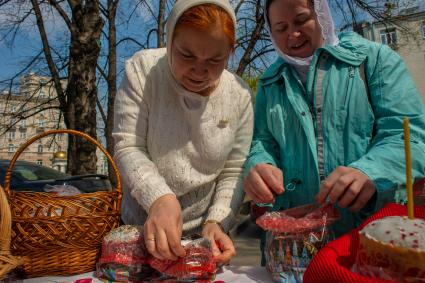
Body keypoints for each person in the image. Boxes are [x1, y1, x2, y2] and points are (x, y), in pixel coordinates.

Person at [244, 0, 425, 245]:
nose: (292, 34)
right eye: (281, 27)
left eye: (301, 20)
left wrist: (369, 171)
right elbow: (262, 141)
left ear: (321, 14)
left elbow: (410, 136)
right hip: (292, 246)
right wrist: (259, 164)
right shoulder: (269, 82)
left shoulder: (374, 60)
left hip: (368, 238)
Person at [112, 0, 253, 264]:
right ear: (169, 41)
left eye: (215, 60)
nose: (199, 70)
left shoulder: (239, 95)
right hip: (140, 231)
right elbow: (128, 145)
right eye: (186, 55)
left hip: (205, 239)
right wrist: (159, 198)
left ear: (230, 54)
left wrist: (217, 221)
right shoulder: (144, 70)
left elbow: (234, 169)